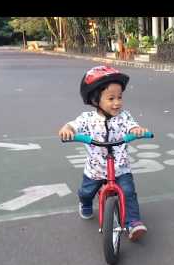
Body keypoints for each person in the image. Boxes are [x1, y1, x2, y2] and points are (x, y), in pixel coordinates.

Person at [58, 65, 149, 241]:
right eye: (111, 98)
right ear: (95, 99)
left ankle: (133, 222)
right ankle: (84, 203)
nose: (117, 103)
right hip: (96, 169)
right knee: (86, 192)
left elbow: (132, 126)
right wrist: (67, 129)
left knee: (128, 192)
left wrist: (137, 130)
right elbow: (73, 125)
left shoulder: (124, 117)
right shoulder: (88, 119)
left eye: (120, 97)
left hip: (120, 168)